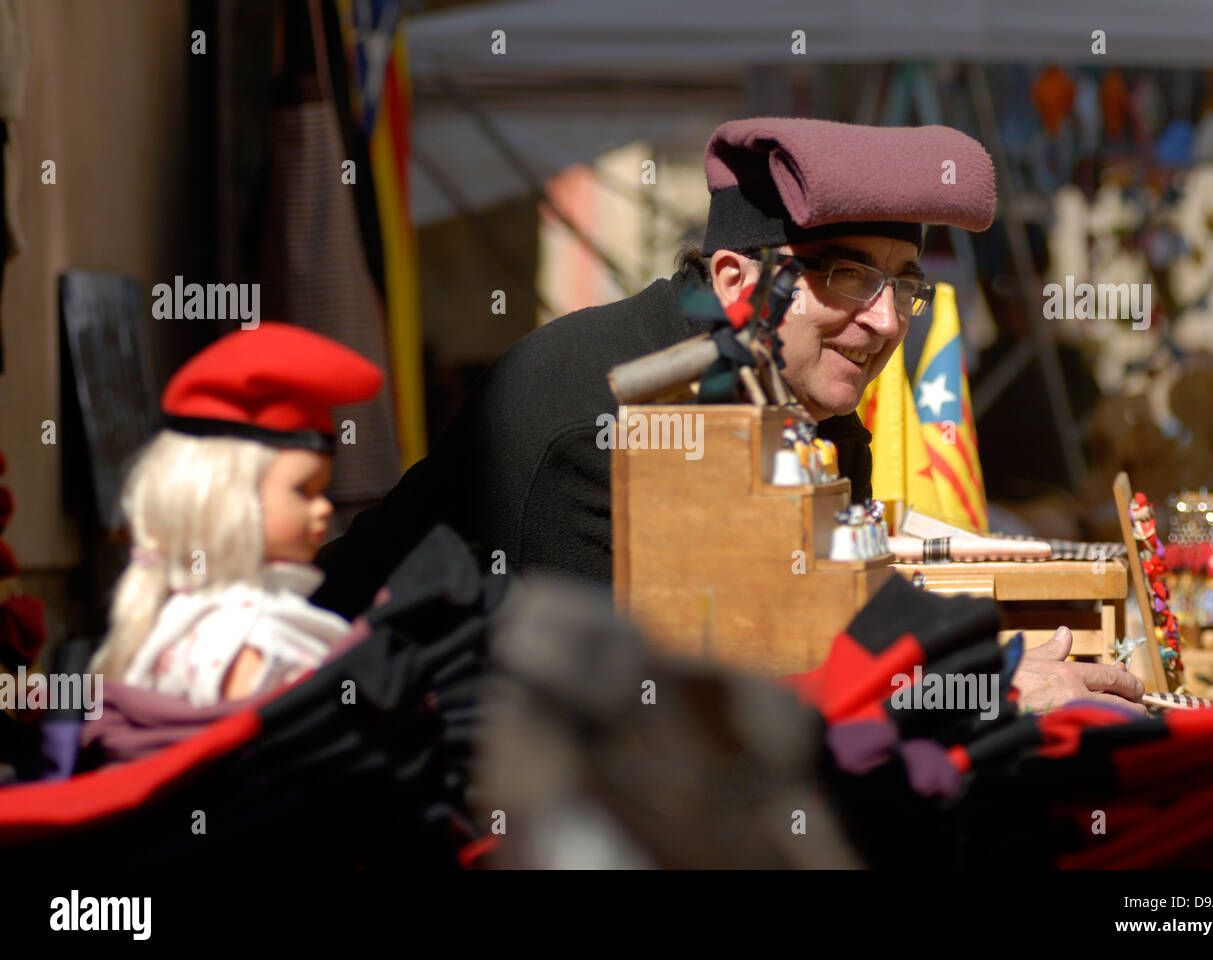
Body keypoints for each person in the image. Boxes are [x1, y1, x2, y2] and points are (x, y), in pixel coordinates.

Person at [313, 118, 1145, 715]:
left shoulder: (793, 391)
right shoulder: (603, 424)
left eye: (904, 284)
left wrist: (983, 665)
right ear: (735, 282)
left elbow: (837, 622)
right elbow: (657, 710)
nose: (888, 322)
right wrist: (987, 687)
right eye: (849, 277)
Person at [89, 323, 384, 707]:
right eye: (303, 491)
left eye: (322, 490)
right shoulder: (255, 644)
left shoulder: (177, 622)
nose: (324, 506)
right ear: (231, 497)